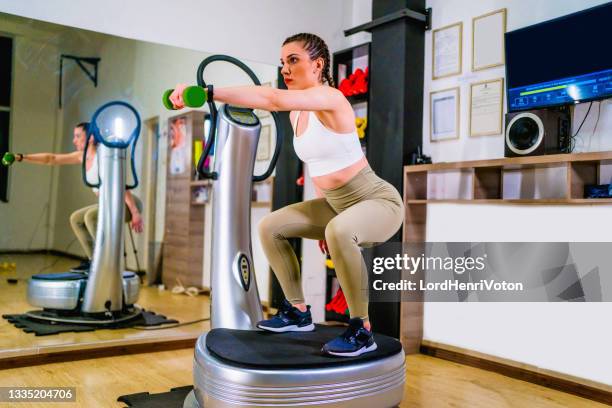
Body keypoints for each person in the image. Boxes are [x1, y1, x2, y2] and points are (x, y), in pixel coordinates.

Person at [169, 33, 404, 357]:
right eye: (282, 63)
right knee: (270, 226)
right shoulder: (299, 114)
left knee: (339, 230)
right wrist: (328, 217)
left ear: (318, 64)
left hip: (377, 201)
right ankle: (297, 311)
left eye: (293, 60)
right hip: (338, 206)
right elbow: (320, 164)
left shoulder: (331, 98)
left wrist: (209, 92)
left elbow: (272, 100)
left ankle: (362, 330)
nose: (285, 69)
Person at [1, 122, 143, 271]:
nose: (73, 140)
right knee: (76, 219)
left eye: (77, 136)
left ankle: (106, 262)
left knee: (90, 217)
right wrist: (20, 157)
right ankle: (93, 261)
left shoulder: (104, 155)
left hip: (126, 204)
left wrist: (135, 212)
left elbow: (120, 185)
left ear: (90, 137)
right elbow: (51, 159)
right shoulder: (82, 156)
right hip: (109, 205)